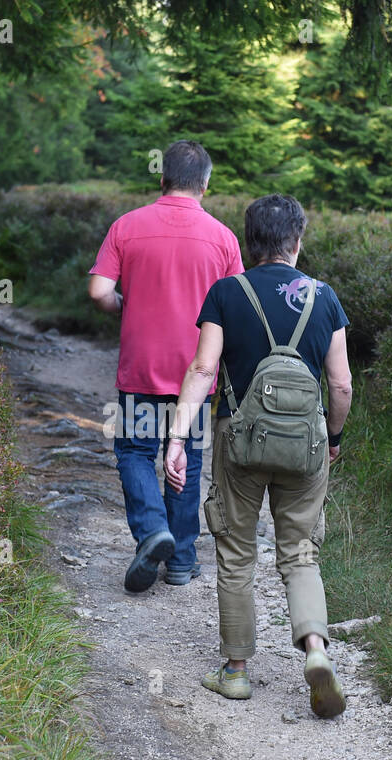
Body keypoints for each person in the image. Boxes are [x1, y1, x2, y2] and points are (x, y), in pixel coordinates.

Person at [163, 194, 354, 719]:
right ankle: (315, 649)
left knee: (236, 552)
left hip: (238, 441)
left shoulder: (226, 293)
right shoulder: (325, 298)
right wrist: (334, 438)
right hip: (306, 445)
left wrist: (177, 437)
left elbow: (203, 372)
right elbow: (340, 384)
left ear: (250, 243)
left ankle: (236, 672)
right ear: (298, 241)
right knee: (299, 554)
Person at [88, 140, 244, 593]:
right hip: (196, 372)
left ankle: (153, 529)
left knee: (135, 452)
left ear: (162, 179)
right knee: (188, 459)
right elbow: (234, 307)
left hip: (142, 367)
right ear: (206, 184)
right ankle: (180, 560)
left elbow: (99, 291)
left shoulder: (127, 226)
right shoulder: (223, 238)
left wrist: (124, 304)